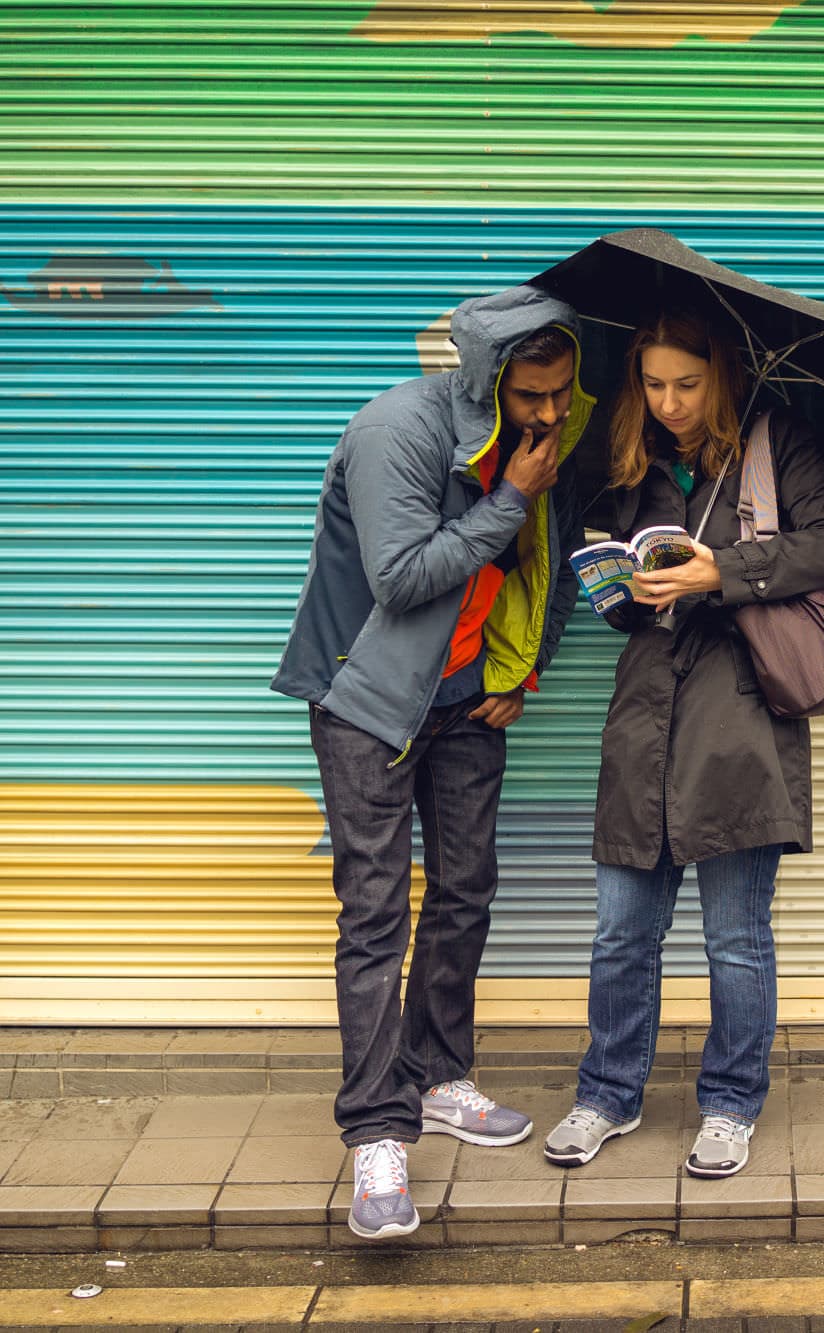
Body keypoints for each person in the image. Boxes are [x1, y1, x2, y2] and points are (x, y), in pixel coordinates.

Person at [271, 285, 592, 1239]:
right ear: (487, 376)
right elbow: (400, 576)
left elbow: (552, 563)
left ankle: (440, 1073)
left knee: (466, 892)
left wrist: (524, 667)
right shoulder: (396, 432)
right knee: (376, 913)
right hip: (367, 701)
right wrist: (510, 499)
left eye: (562, 391)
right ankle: (377, 1133)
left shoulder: (545, 445)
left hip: (466, 702)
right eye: (530, 393)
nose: (547, 412)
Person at [540, 312, 824, 1177]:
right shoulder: (627, 460)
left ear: (719, 377)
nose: (669, 402)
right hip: (644, 712)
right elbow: (601, 556)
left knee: (734, 936)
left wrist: (725, 570)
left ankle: (728, 1104)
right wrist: (619, 582)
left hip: (741, 716)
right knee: (619, 933)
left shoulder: (776, 442)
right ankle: (607, 1093)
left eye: (687, 384)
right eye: (652, 384)